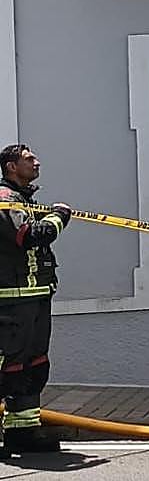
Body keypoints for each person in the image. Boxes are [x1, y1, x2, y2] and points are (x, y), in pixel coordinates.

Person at [0, 143, 71, 456]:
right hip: (11, 300)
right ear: (11, 166)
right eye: (29, 159)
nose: (37, 162)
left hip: (37, 296)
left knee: (34, 365)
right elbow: (27, 236)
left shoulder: (23, 200)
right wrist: (59, 218)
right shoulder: (4, 199)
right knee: (8, 367)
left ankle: (22, 431)